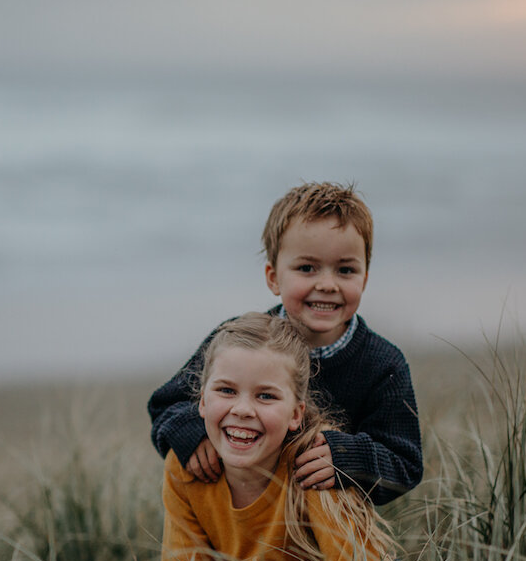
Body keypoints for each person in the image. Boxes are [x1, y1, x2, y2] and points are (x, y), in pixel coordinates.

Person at [161, 312, 403, 561]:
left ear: (296, 413)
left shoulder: (317, 467)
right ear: (200, 402)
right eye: (226, 390)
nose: (242, 409)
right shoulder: (185, 469)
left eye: (266, 396)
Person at [148, 182, 422, 508]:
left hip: (327, 534)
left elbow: (405, 464)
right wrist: (192, 434)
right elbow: (165, 405)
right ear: (273, 277)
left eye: (345, 270)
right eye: (307, 268)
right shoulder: (240, 341)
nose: (326, 284)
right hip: (243, 526)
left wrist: (348, 458)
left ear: (364, 278)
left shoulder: (383, 365)